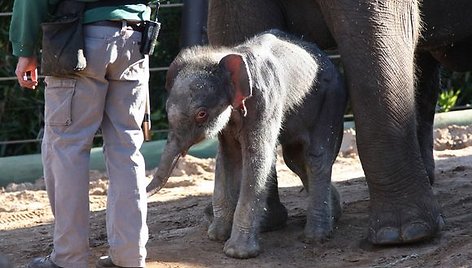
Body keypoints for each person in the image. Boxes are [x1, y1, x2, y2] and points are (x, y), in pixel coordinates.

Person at [9, 0, 153, 267]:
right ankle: (129, 256)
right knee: (127, 150)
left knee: (67, 149)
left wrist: (24, 48)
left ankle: (68, 258)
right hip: (135, 38)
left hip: (80, 38)